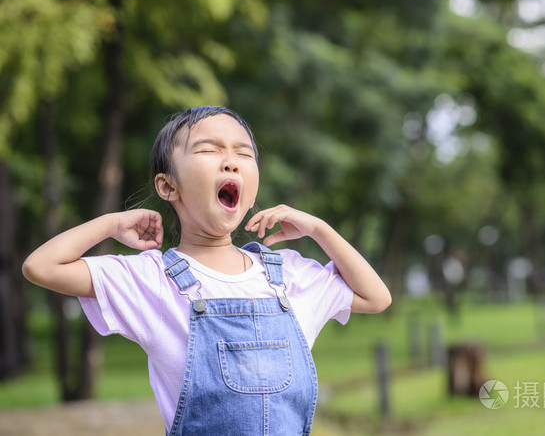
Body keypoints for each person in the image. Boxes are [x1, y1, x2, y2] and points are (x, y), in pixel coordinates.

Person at [22, 105, 392, 435]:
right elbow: (41, 266)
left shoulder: (289, 275)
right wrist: (112, 223)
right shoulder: (153, 280)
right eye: (209, 150)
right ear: (168, 186)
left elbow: (376, 297)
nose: (230, 160)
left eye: (243, 153)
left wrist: (320, 230)